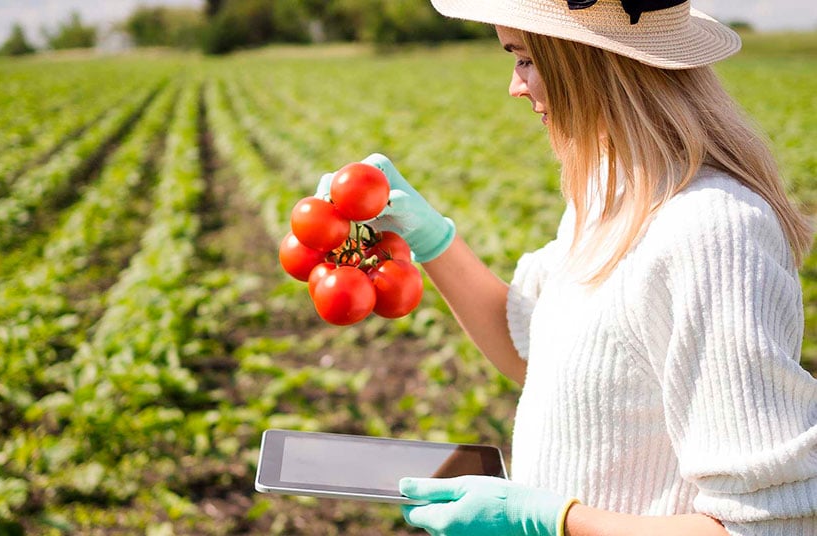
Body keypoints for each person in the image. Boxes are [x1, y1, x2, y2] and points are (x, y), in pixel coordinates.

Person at [317, 1, 817, 534]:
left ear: (589, 63)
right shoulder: (611, 188)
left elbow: (769, 524)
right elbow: (536, 353)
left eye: (526, 58)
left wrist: (552, 520)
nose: (515, 85)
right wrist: (429, 236)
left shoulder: (712, 231)